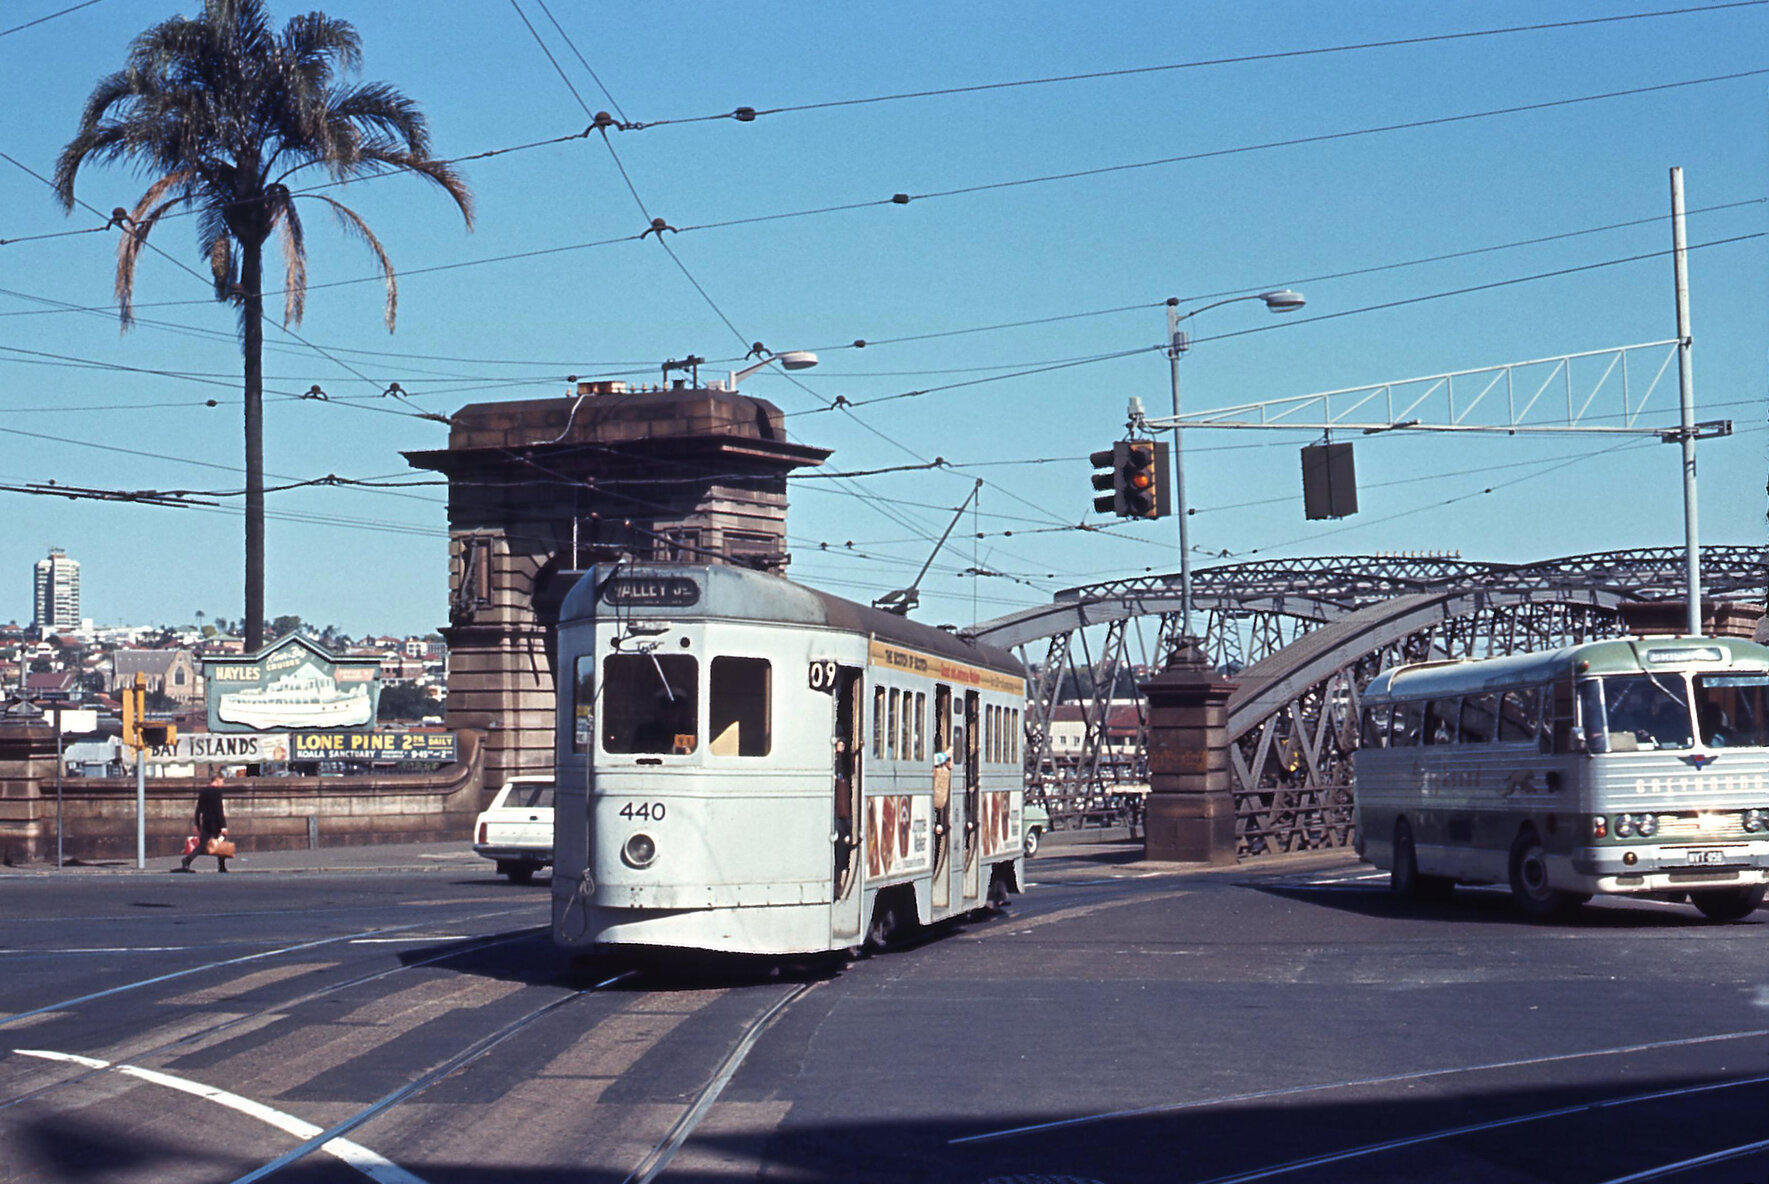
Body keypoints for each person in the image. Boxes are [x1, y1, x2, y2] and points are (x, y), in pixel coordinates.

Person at [176, 776, 230, 873]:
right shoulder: (217, 792)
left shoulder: (203, 791)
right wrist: (223, 826)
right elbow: (219, 810)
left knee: (202, 845)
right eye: (222, 781)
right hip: (215, 823)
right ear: (217, 780)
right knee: (221, 844)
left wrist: (197, 823)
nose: (223, 784)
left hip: (206, 822)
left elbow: (198, 809)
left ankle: (187, 860)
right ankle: (222, 866)